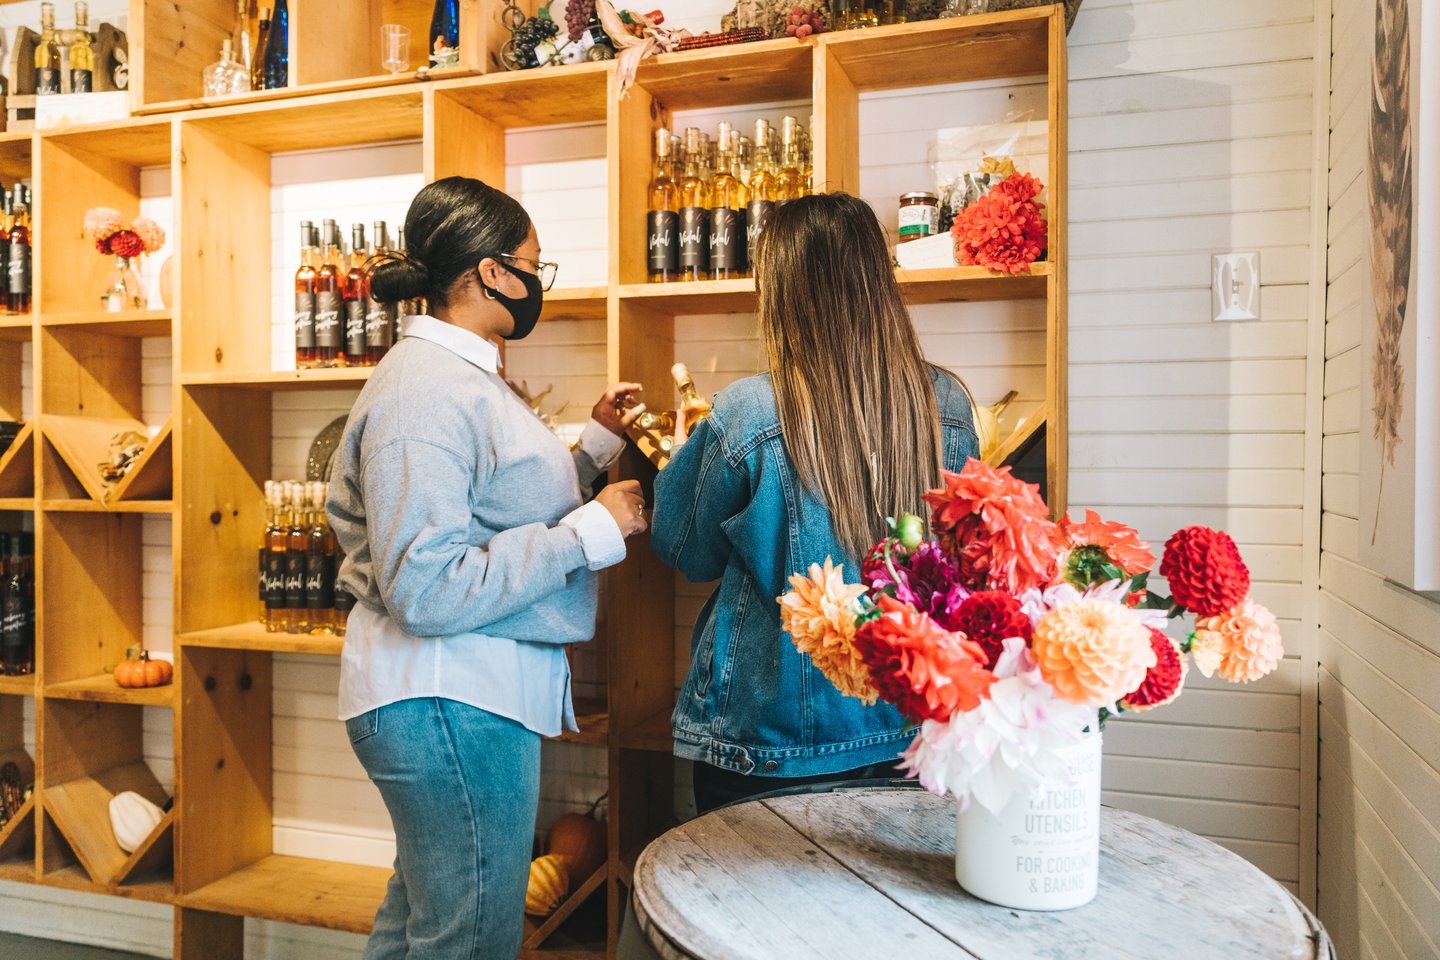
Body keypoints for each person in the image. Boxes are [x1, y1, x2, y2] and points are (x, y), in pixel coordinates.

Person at [327, 176, 647, 959]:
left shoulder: (459, 376)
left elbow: (491, 504)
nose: (539, 282)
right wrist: (586, 537)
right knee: (470, 939)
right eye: (534, 264)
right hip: (447, 697)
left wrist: (595, 449)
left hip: (456, 698)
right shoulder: (425, 393)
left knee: (422, 928)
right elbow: (426, 583)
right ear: (492, 271)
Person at [651, 192, 980, 815]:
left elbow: (682, 547)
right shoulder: (950, 406)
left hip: (774, 744)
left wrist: (683, 457)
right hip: (918, 727)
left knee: (748, 912)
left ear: (779, 294)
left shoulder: (747, 414)